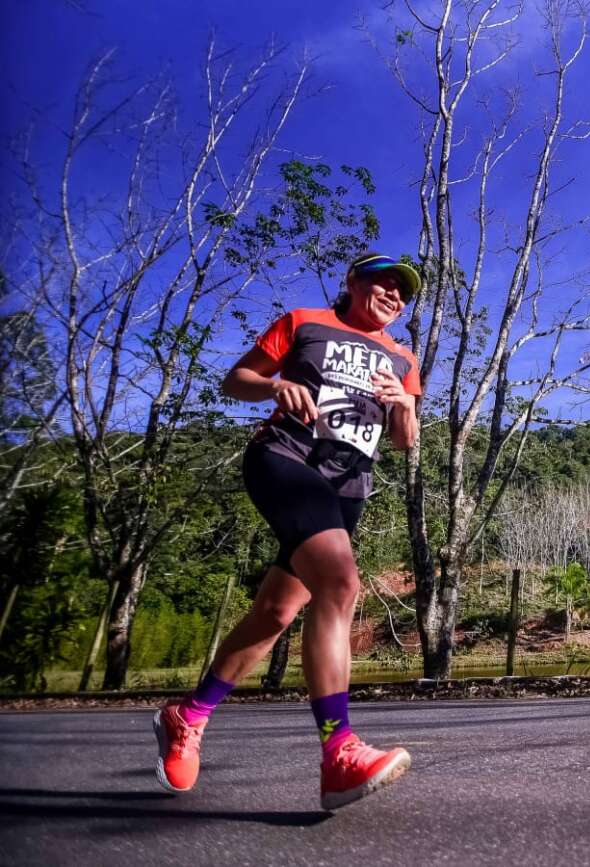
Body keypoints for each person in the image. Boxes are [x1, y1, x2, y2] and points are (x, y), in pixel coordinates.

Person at [153, 252, 423, 810]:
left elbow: (404, 440)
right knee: (341, 585)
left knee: (276, 612)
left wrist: (401, 405)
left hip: (347, 487)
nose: (394, 295)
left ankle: (188, 715)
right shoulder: (303, 321)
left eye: (403, 292)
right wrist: (276, 387)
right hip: (285, 456)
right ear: (352, 282)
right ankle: (339, 750)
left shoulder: (404, 359)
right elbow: (237, 380)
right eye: (384, 283)